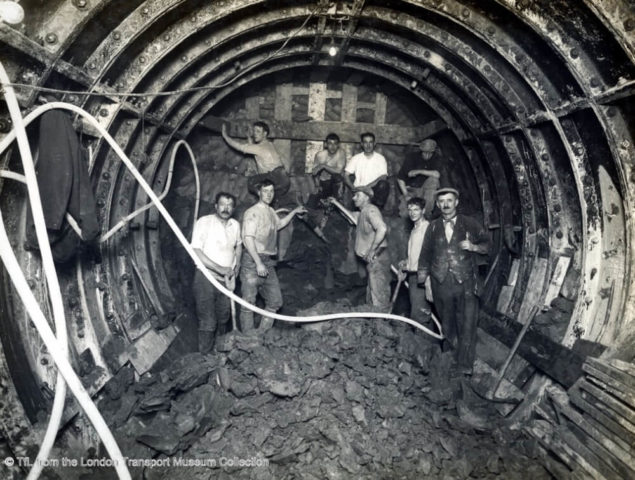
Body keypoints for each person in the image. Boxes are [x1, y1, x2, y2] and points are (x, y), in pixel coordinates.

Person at [417, 187, 489, 375]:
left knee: (467, 323)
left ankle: (465, 365)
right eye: (441, 201)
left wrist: (473, 246)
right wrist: (424, 281)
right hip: (440, 281)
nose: (445, 205)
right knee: (447, 322)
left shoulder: (470, 223)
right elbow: (425, 254)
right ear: (438, 204)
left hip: (465, 281)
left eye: (449, 200)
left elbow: (487, 245)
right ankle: (450, 359)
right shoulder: (432, 226)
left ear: (456, 202)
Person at [240, 179, 307, 332]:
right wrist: (258, 263)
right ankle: (247, 337)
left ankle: (261, 334)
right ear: (259, 192)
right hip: (253, 260)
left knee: (275, 301)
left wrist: (294, 212)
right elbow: (247, 238)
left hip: (268, 261)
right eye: (265, 191)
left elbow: (279, 225)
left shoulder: (270, 211)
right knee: (249, 302)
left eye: (271, 191)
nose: (269, 194)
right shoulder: (252, 212)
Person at [191, 192, 242, 353]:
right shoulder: (204, 222)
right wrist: (219, 268)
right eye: (222, 204)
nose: (225, 208)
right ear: (215, 206)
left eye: (229, 205)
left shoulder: (235, 225)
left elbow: (239, 245)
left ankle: (220, 353)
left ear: (233, 208)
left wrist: (237, 266)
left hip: (226, 280)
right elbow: (196, 251)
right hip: (206, 278)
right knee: (208, 321)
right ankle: (204, 358)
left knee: (223, 317)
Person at [329, 186, 391, 311]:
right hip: (372, 262)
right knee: (372, 296)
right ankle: (374, 324)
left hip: (377, 259)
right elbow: (349, 215)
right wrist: (335, 203)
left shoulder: (370, 210)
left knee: (379, 299)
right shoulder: (362, 213)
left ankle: (382, 325)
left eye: (357, 195)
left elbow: (382, 228)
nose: (353, 198)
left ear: (367, 197)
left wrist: (372, 250)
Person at [222, 121, 290, 198]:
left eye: (258, 131)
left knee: (251, 182)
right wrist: (249, 138)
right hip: (283, 178)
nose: (255, 134)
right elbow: (253, 149)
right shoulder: (269, 144)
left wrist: (225, 136)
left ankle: (263, 198)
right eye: (254, 131)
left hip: (275, 177)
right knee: (270, 194)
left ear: (264, 134)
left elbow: (240, 147)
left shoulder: (259, 148)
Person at [397, 197, 432, 325]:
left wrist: (428, 283)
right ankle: (426, 341)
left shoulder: (427, 228)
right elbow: (417, 253)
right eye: (410, 209)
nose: (412, 213)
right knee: (419, 312)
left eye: (416, 209)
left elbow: (431, 256)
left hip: (422, 276)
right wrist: (407, 263)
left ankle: (424, 343)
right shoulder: (414, 229)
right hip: (413, 276)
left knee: (419, 315)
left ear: (423, 210)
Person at [396, 138, 444, 219]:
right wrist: (406, 194)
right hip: (411, 190)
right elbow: (400, 178)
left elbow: (437, 174)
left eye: (430, 153)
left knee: (434, 180)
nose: (427, 155)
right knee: (405, 215)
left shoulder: (436, 158)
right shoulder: (411, 157)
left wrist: (419, 171)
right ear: (421, 150)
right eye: (425, 152)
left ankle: (426, 215)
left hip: (425, 191)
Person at [344, 132, 390, 208]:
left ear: (374, 143)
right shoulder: (356, 158)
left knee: (384, 184)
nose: (368, 145)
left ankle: (376, 208)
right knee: (359, 214)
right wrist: (352, 188)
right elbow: (345, 175)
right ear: (361, 144)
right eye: (365, 142)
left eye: (370, 142)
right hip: (359, 189)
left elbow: (384, 176)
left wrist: (367, 187)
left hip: (373, 190)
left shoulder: (380, 158)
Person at [312, 133, 347, 200]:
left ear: (338, 145)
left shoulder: (341, 153)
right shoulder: (320, 155)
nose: (332, 146)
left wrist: (323, 166)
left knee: (337, 177)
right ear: (326, 144)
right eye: (330, 143)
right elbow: (314, 172)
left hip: (337, 184)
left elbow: (338, 171)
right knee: (312, 204)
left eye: (335, 144)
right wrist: (317, 185)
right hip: (324, 183)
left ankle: (338, 200)